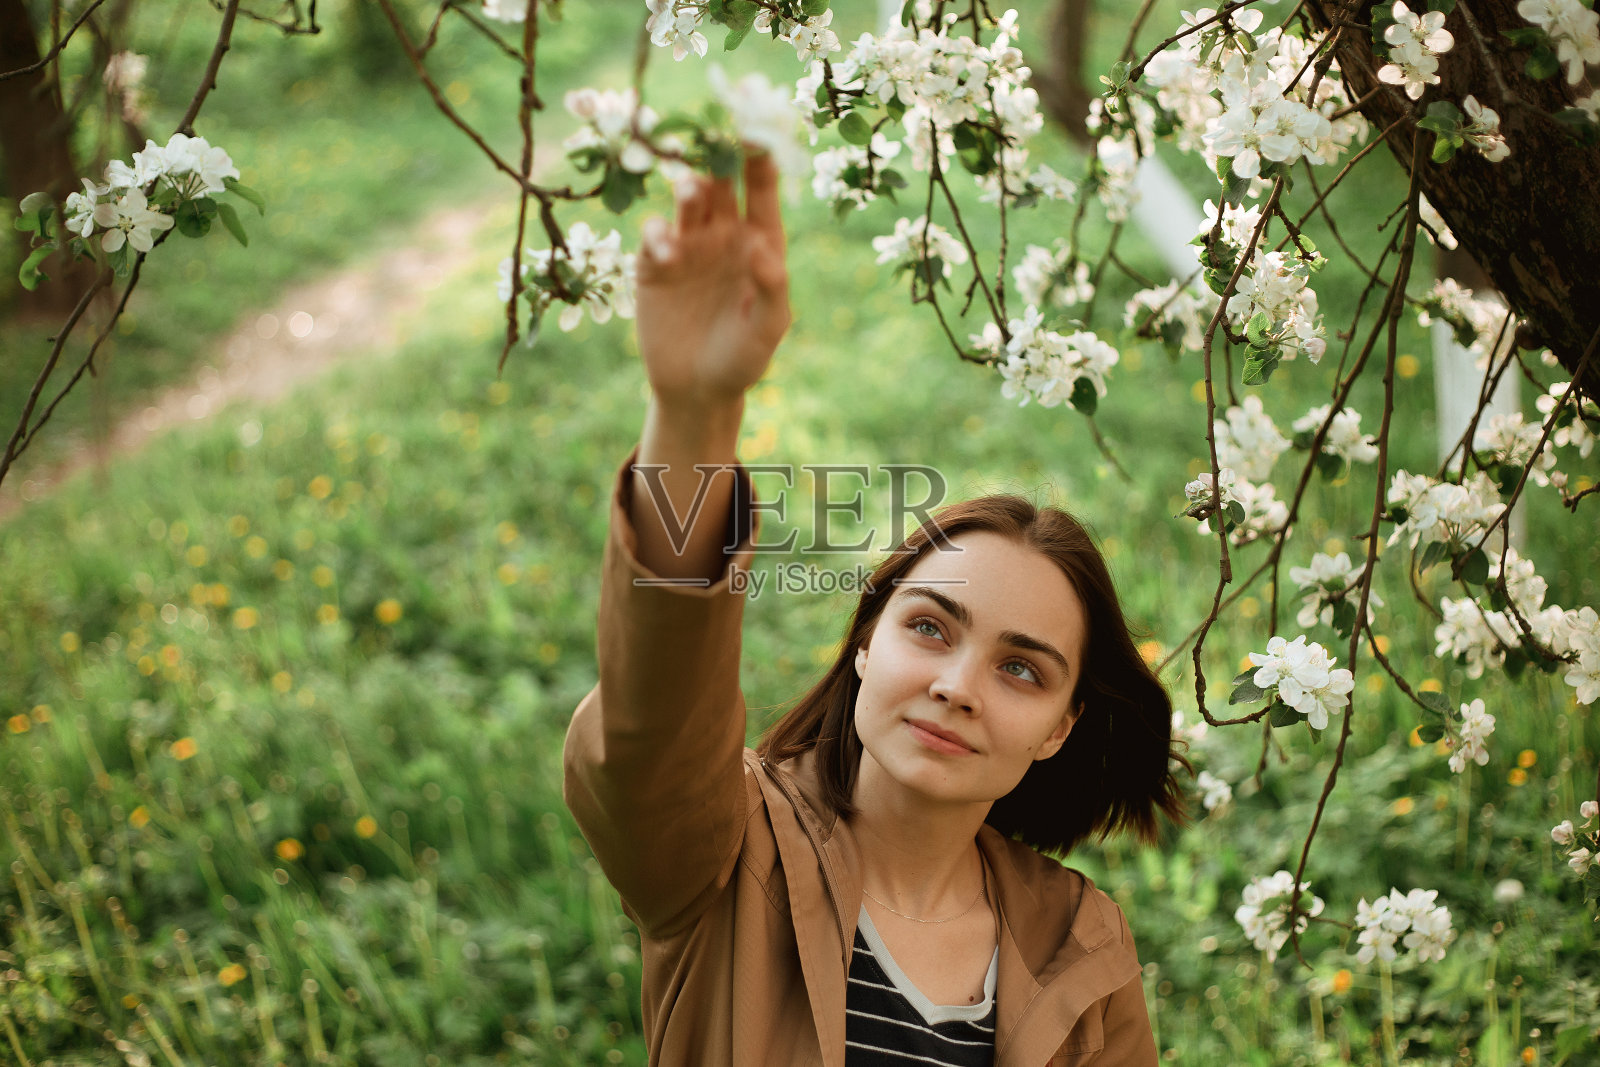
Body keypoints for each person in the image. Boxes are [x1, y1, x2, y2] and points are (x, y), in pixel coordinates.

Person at [563, 151, 1187, 1066]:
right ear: (865, 646)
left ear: (1060, 726)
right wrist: (697, 408)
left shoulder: (1081, 946)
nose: (957, 686)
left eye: (1021, 667)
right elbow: (650, 728)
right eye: (929, 627)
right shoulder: (727, 853)